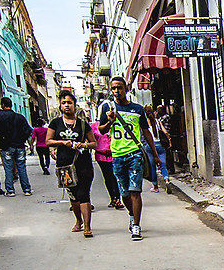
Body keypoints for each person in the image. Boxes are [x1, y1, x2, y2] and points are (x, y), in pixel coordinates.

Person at [95, 76, 154, 240]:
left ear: (126, 88)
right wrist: (109, 122)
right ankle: (131, 214)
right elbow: (101, 130)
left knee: (135, 191)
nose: (116, 91)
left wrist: (154, 154)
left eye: (119, 87)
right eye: (113, 88)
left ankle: (136, 225)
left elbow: (145, 131)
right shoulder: (107, 108)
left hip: (134, 153)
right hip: (117, 155)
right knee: (125, 193)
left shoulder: (137, 109)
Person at [49, 90, 95, 237]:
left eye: (69, 102)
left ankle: (87, 226)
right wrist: (62, 142)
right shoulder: (55, 123)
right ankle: (78, 221)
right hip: (64, 165)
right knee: (73, 195)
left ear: (75, 105)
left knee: (83, 194)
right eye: (64, 103)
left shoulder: (82, 124)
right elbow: (47, 141)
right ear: (60, 106)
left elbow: (93, 143)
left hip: (83, 163)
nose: (67, 105)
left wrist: (83, 145)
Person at [0, 97, 34, 196]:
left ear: (2, 105)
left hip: (6, 146)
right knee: (21, 167)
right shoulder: (20, 117)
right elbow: (28, 131)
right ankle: (26, 189)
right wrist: (22, 139)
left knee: (8, 168)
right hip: (19, 145)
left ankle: (10, 191)